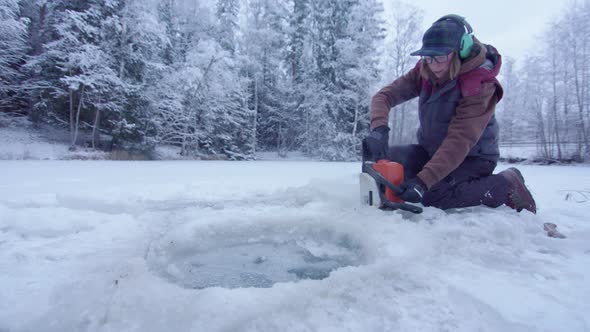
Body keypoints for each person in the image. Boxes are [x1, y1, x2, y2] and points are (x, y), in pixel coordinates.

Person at [364, 14, 536, 214]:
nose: (434, 65)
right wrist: (379, 128)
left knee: (434, 195)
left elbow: (459, 141)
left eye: (441, 57)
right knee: (389, 159)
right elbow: (384, 96)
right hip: (433, 151)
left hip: (473, 158)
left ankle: (504, 185)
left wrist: (423, 181)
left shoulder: (479, 86)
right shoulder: (425, 70)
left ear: (460, 51)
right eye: (428, 57)